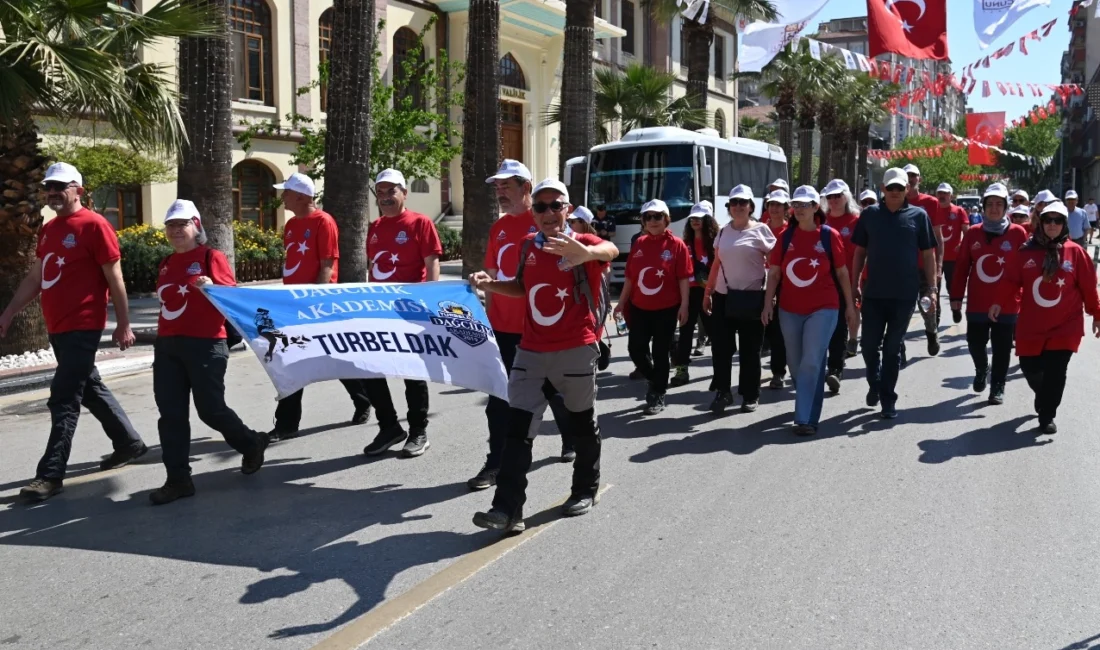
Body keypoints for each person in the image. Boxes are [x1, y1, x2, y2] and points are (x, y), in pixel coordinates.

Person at [468, 178, 618, 532]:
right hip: (531, 351)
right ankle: (506, 509)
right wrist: (490, 285)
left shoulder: (582, 242)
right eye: (541, 206)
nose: (548, 212)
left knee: (582, 425)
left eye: (556, 205)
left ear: (567, 209)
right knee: (517, 430)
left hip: (576, 350)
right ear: (533, 212)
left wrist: (587, 253)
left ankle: (584, 489)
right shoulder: (526, 246)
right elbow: (522, 287)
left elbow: (610, 250)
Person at [0, 162, 147, 501]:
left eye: (60, 187)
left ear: (78, 190)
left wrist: (123, 323)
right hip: (58, 326)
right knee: (89, 386)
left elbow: (116, 279)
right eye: (49, 187)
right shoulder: (49, 229)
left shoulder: (95, 226)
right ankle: (128, 442)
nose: (52, 192)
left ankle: (50, 475)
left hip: (84, 325)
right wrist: (8, 312)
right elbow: (35, 278)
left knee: (64, 397)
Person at [148, 200, 268, 504]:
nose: (176, 230)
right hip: (168, 347)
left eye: (182, 224)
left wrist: (212, 286)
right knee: (171, 415)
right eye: (171, 225)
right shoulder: (165, 263)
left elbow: (232, 297)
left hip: (205, 345)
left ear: (196, 227)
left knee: (210, 410)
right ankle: (178, 480)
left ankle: (251, 442)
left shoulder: (210, 256)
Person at [470, 160, 575, 491]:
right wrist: (485, 311)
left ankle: (571, 436)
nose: (500, 192)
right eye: (497, 187)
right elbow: (492, 273)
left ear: (526, 188)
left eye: (507, 185)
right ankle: (495, 463)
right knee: (499, 399)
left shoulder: (543, 225)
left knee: (554, 392)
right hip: (501, 329)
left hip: (537, 329)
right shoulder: (497, 228)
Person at [269, 172, 371, 440]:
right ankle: (286, 424)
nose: (283, 197)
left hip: (317, 305)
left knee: (334, 358)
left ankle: (363, 400)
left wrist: (316, 300)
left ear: (302, 196)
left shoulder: (323, 221)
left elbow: (327, 263)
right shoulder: (291, 225)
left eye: (287, 192)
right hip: (292, 304)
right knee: (291, 361)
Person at [990, 201, 1100, 434]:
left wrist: (1096, 314)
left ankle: (1047, 414)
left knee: (1056, 371)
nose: (1052, 224)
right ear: (1040, 223)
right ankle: (1045, 395)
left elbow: (1089, 288)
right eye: (1047, 219)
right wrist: (998, 301)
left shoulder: (1076, 252)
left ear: (1064, 224)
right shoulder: (1026, 252)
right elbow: (1010, 280)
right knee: (1030, 368)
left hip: (1066, 326)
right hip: (1032, 325)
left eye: (1057, 220)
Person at [762, 186, 858, 435]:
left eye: (806, 204)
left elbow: (842, 272)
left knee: (811, 361)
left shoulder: (829, 235)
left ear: (817, 207)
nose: (800, 208)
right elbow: (774, 273)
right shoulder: (785, 237)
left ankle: (805, 418)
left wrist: (850, 306)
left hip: (824, 308)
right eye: (797, 204)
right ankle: (808, 400)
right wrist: (767, 303)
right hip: (790, 309)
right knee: (796, 365)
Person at [361, 168, 442, 458]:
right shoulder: (373, 227)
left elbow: (432, 262)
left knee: (412, 373)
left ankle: (418, 431)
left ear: (404, 193)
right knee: (368, 368)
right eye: (380, 192)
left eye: (391, 191)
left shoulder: (420, 223)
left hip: (410, 310)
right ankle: (389, 428)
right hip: (378, 311)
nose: (385, 197)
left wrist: (431, 301)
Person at [850, 167, 937, 419]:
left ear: (907, 189)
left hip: (904, 295)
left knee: (892, 348)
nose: (896, 192)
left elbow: (929, 254)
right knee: (868, 346)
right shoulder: (869, 215)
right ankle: (875, 383)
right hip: (874, 294)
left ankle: (888, 399)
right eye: (891, 188)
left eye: (900, 187)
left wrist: (931, 289)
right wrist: (855, 281)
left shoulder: (919, 216)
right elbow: (859, 252)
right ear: (883, 189)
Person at [948, 183, 1028, 406]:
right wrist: (956, 297)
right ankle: (982, 368)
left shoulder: (1018, 233)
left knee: (1002, 348)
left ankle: (998, 386)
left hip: (1008, 303)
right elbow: (962, 267)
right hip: (978, 301)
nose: (994, 208)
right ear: (983, 207)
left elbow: (1026, 268)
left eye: (999, 204)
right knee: (975, 343)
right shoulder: (974, 233)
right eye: (990, 204)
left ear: (1006, 207)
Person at [703, 184, 776, 413]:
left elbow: (775, 266)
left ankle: (750, 394)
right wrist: (708, 292)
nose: (737, 207)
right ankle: (723, 392)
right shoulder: (723, 231)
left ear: (751, 206)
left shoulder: (762, 230)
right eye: (733, 203)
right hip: (724, 297)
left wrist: (769, 300)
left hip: (753, 297)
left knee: (750, 349)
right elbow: (717, 263)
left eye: (742, 202)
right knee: (721, 349)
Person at [614, 199, 691, 414]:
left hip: (667, 309)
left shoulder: (677, 245)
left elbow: (684, 278)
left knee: (659, 353)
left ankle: (658, 394)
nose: (653, 221)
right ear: (643, 221)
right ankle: (656, 379)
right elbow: (630, 277)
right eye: (648, 217)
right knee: (635, 349)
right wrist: (621, 303)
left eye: (657, 216)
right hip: (639, 307)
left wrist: (684, 306)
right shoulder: (639, 243)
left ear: (666, 219)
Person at [671, 202, 717, 387]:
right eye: (693, 218)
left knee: (715, 333)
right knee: (685, 333)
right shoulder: (683, 243)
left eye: (700, 217)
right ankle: (682, 371)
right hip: (688, 293)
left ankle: (720, 372)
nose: (695, 221)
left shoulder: (716, 241)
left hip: (709, 293)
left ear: (708, 219)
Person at [821, 179, 860, 393]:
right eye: (830, 197)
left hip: (846, 281)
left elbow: (863, 255)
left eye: (838, 196)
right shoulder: (819, 221)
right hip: (819, 282)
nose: (834, 200)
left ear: (846, 197)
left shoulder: (856, 221)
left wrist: (857, 284)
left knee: (839, 327)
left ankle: (835, 369)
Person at [903, 164, 944, 357]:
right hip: (902, 267)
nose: (910, 179)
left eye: (914, 176)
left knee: (927, 305)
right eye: (907, 176)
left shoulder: (931, 202)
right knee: (901, 309)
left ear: (919, 179)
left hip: (925, 265)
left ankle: (931, 333)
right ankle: (899, 347)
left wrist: (938, 266)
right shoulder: (894, 200)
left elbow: (938, 236)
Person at [762, 190, 790, 389]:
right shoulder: (759, 229)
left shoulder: (791, 232)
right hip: (759, 283)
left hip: (783, 284)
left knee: (777, 330)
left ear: (786, 208)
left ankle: (778, 372)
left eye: (779, 205)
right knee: (760, 330)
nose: (774, 208)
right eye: (771, 204)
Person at [934, 183, 969, 325]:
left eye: (945, 193)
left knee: (952, 287)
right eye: (940, 193)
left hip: (953, 259)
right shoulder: (932, 210)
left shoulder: (959, 211)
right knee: (933, 288)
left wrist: (962, 245)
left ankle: (956, 309)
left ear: (951, 195)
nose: (942, 196)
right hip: (934, 258)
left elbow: (967, 233)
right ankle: (935, 317)